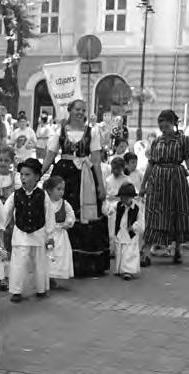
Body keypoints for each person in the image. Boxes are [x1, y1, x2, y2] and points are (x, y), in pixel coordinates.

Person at [42, 99, 109, 277]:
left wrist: (100, 185)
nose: (80, 112)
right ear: (70, 110)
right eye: (77, 109)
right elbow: (50, 156)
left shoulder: (92, 132)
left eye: (83, 110)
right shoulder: (60, 131)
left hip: (85, 177)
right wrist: (38, 174)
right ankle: (59, 261)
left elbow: (95, 160)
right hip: (64, 176)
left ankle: (84, 264)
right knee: (61, 212)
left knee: (83, 217)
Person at [140, 109, 189, 266]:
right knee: (154, 214)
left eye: (166, 121)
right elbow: (150, 164)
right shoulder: (156, 142)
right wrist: (143, 185)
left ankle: (178, 250)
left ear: (174, 123)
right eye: (160, 122)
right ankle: (146, 253)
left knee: (177, 213)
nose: (162, 125)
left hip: (176, 180)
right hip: (157, 181)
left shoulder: (183, 141)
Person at [4, 158, 55, 303]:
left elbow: (49, 215)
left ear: (37, 177)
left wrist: (50, 235)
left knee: (40, 263)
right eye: (21, 175)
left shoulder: (43, 195)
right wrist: (0, 228)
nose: (23, 178)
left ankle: (41, 289)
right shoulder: (15, 195)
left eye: (27, 175)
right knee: (18, 263)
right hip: (20, 234)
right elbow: (5, 213)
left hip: (39, 233)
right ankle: (16, 290)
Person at [0, 147, 21, 290]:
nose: (2, 163)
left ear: (11, 162)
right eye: (0, 160)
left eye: (6, 160)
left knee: (7, 245)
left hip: (9, 218)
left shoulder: (15, 178)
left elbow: (18, 198)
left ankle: (6, 276)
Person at [104, 183, 144, 280]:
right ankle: (119, 269)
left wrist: (134, 227)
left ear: (131, 197)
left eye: (126, 198)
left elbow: (141, 221)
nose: (124, 200)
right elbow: (109, 210)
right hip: (120, 232)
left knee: (129, 252)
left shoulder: (137, 208)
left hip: (130, 234)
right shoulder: (118, 206)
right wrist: (108, 210)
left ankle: (128, 271)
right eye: (122, 198)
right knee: (120, 250)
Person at [44, 175, 75, 289]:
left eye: (63, 189)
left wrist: (68, 222)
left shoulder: (64, 203)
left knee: (59, 256)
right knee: (48, 255)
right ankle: (47, 277)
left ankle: (54, 276)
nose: (61, 192)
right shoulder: (45, 203)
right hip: (48, 234)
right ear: (49, 190)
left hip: (60, 235)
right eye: (58, 189)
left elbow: (71, 214)